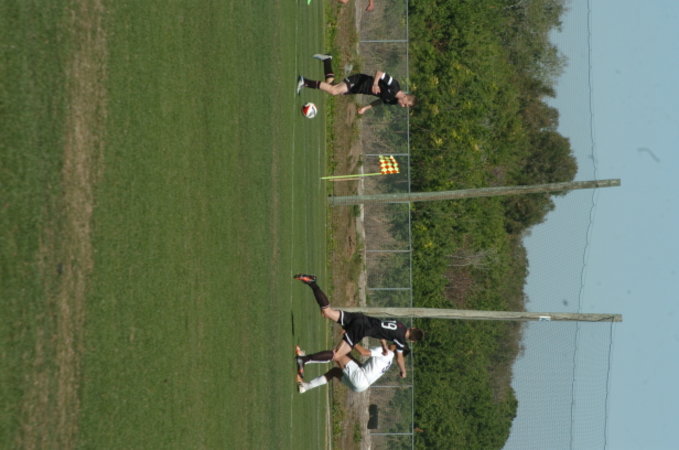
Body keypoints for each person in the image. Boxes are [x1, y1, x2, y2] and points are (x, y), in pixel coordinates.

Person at [293, 274, 423, 378]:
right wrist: (403, 371)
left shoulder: (399, 324)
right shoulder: (400, 340)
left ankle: (312, 283)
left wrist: (384, 346)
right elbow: (399, 358)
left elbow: (383, 331)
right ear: (411, 340)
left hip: (360, 318)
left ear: (412, 328)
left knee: (327, 312)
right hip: (361, 329)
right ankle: (303, 360)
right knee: (337, 355)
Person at [296, 54, 416, 114]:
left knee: (331, 86)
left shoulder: (393, 101)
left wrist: (365, 108)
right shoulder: (394, 85)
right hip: (359, 80)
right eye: (406, 104)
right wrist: (375, 84)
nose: (403, 106)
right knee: (334, 91)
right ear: (405, 97)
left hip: (358, 89)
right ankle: (304, 81)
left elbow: (380, 101)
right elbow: (379, 73)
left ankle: (327, 60)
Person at [296, 342, 398, 393]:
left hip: (360, 377)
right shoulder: (390, 360)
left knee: (337, 353)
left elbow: (363, 352)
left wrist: (352, 340)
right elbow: (365, 368)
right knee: (335, 372)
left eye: (396, 341)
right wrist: (350, 356)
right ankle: (305, 387)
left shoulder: (386, 352)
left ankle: (303, 359)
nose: (393, 341)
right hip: (362, 387)